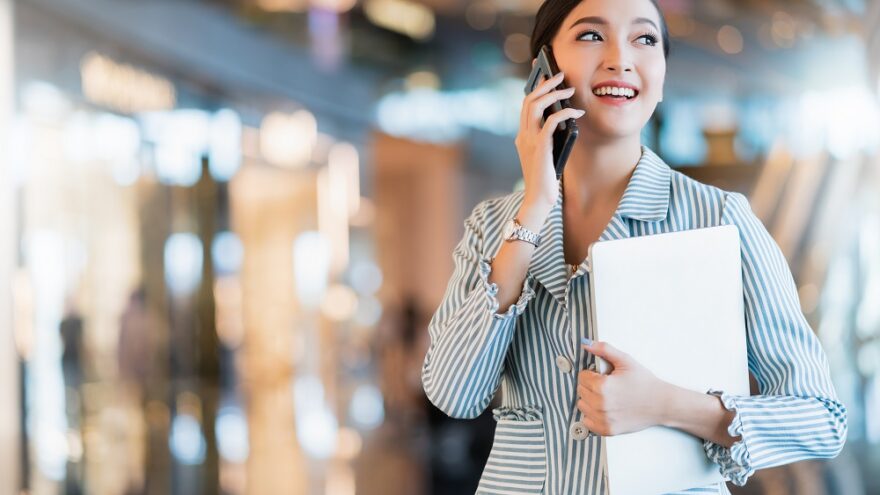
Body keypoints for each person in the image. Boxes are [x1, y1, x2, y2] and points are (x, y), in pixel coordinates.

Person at [420, 0, 848, 494]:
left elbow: (821, 419)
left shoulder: (718, 219)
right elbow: (454, 393)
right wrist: (533, 210)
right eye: (590, 36)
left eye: (644, 39)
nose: (621, 58)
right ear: (544, 71)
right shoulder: (493, 224)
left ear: (662, 74)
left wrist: (667, 404)